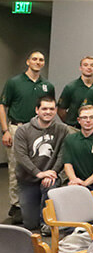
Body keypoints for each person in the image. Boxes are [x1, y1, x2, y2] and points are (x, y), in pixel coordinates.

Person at [0, 50, 55, 222]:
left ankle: (34, 203)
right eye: (35, 59)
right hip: (18, 128)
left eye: (41, 60)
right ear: (27, 61)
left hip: (40, 130)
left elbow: (49, 109)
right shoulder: (14, 82)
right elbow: (3, 106)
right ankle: (16, 205)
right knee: (16, 167)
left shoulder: (47, 85)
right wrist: (5, 131)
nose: (38, 62)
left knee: (39, 166)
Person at [13, 96, 70, 231]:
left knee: (50, 187)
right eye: (44, 108)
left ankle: (47, 222)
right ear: (37, 110)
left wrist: (52, 173)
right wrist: (38, 173)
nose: (48, 112)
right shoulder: (23, 130)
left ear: (56, 111)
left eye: (51, 109)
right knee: (30, 224)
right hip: (28, 180)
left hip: (50, 177)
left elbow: (62, 155)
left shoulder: (63, 130)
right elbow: (21, 156)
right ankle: (37, 213)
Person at [62, 104, 93, 200]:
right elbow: (67, 164)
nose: (88, 120)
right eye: (84, 117)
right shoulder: (70, 139)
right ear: (79, 120)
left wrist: (85, 183)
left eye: (91, 117)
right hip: (74, 183)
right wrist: (74, 180)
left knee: (92, 210)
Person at [57, 55, 93, 130]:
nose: (89, 67)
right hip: (74, 128)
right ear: (80, 68)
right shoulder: (71, 87)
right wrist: (71, 122)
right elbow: (61, 110)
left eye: (92, 65)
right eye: (85, 65)